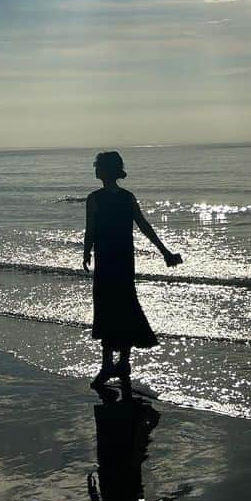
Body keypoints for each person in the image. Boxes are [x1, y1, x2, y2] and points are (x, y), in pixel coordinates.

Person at [82, 150, 183, 393]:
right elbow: (145, 226)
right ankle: (122, 364)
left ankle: (110, 365)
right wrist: (165, 252)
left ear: (105, 170)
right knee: (125, 306)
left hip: (108, 261)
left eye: (97, 166)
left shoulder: (94, 198)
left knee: (107, 309)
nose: (95, 170)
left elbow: (91, 229)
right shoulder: (127, 197)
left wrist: (86, 252)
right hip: (124, 260)